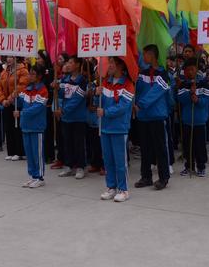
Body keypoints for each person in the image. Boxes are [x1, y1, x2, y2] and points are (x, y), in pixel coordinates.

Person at [96, 57, 134, 202]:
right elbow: (99, 104)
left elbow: (123, 107)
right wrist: (97, 93)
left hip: (119, 128)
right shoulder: (105, 82)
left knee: (120, 161)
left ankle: (123, 189)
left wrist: (106, 112)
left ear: (120, 66)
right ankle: (111, 187)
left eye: (111, 63)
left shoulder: (128, 84)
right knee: (108, 160)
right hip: (105, 127)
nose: (109, 65)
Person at [134, 44, 171, 190]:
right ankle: (146, 176)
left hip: (157, 115)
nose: (143, 57)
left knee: (160, 148)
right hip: (143, 116)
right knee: (145, 148)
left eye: (145, 54)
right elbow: (137, 90)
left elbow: (156, 92)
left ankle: (163, 177)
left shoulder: (163, 74)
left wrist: (141, 104)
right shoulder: (142, 73)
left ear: (152, 55)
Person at [177, 58, 209, 177]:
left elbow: (207, 101)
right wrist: (189, 94)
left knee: (200, 145)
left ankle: (201, 166)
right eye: (187, 70)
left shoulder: (204, 84)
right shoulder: (183, 84)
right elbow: (181, 99)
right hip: (187, 121)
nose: (190, 72)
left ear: (196, 69)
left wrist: (197, 99)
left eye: (192, 69)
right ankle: (189, 166)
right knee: (187, 145)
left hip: (200, 121)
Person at [15, 64, 49, 188]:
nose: (30, 76)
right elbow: (20, 102)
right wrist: (15, 96)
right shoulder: (27, 89)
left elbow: (37, 108)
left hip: (37, 127)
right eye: (30, 73)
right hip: (26, 126)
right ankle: (33, 175)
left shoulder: (43, 90)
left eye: (33, 74)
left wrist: (22, 113)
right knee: (29, 153)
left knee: (37, 153)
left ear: (39, 76)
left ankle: (40, 177)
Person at [55, 56, 88, 179]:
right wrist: (58, 89)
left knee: (78, 142)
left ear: (78, 65)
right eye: (68, 62)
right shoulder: (65, 79)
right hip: (66, 117)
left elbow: (77, 100)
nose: (68, 64)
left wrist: (63, 110)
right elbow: (62, 95)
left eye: (71, 62)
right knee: (67, 142)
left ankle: (80, 167)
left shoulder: (82, 81)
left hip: (78, 117)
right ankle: (68, 165)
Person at [0, 56, 29, 161]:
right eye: (8, 57)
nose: (9, 59)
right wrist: (3, 100)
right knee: (8, 127)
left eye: (11, 57)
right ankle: (11, 151)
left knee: (17, 127)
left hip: (17, 103)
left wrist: (10, 98)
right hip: (6, 104)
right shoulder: (5, 72)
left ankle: (20, 152)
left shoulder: (23, 71)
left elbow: (22, 86)